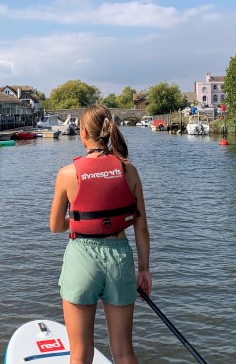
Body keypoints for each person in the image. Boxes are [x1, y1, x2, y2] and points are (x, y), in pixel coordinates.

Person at [50, 104, 151, 364]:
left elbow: (55, 226)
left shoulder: (67, 174)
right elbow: (141, 227)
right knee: (124, 351)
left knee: (80, 353)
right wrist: (144, 270)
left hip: (82, 256)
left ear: (83, 133)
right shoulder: (129, 170)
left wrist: (79, 220)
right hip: (120, 258)